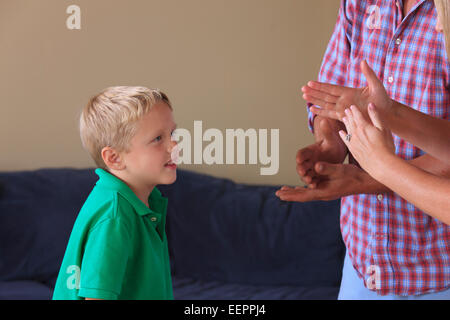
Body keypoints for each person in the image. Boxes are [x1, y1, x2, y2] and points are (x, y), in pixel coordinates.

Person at [276, 0, 450, 299]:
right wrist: (332, 141)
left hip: (438, 270)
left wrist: (372, 174)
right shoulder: (359, 4)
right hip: (362, 267)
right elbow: (332, 97)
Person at [52, 86, 178, 300]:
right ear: (114, 158)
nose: (173, 145)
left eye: (172, 134)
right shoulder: (115, 216)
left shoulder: (145, 201)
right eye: (158, 138)